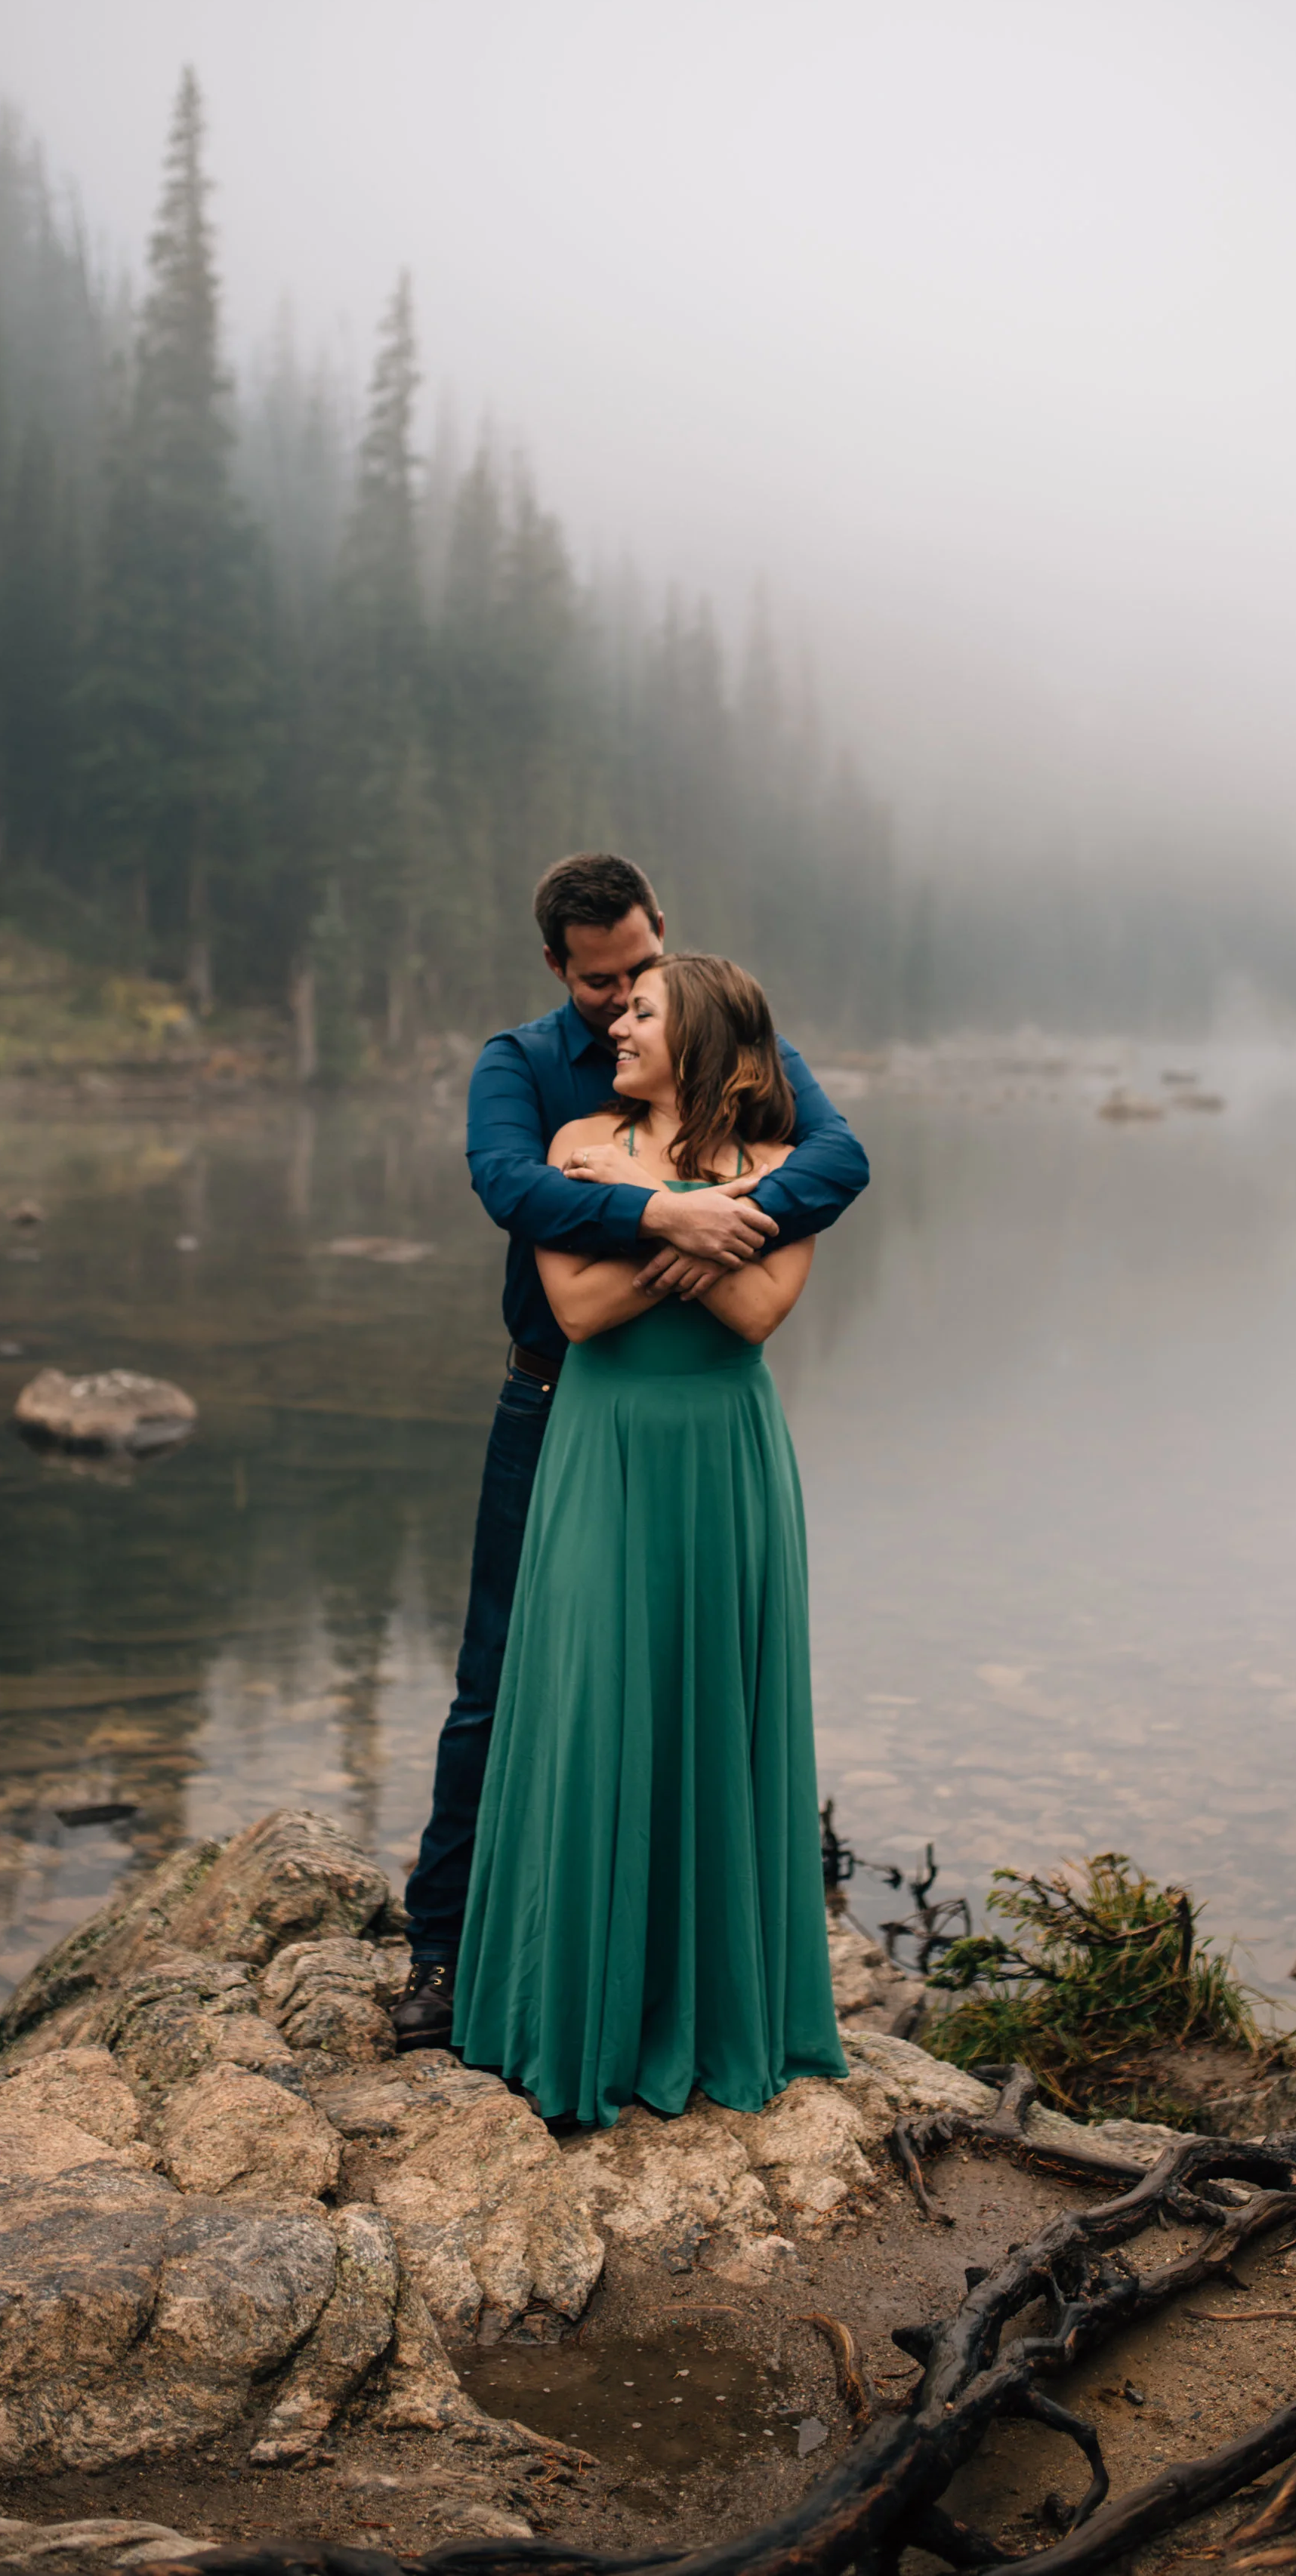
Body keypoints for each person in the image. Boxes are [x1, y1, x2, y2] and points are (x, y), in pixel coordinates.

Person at [393, 852, 869, 2048]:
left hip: (698, 1417)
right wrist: (669, 1215)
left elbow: (838, 1158)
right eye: (601, 982)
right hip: (554, 1400)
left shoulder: (722, 1038)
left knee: (690, 1672)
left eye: (640, 971)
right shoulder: (526, 1067)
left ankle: (683, 1952)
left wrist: (718, 1210)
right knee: (501, 1683)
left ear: (665, 935)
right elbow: (508, 1185)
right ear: (559, 968)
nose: (622, 1001)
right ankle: (448, 1952)